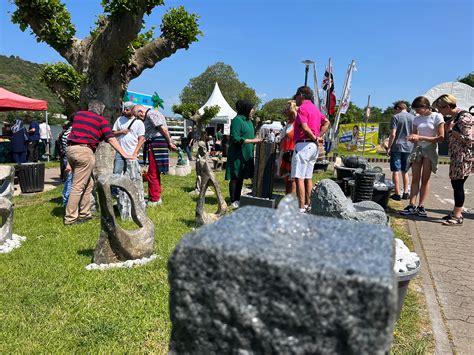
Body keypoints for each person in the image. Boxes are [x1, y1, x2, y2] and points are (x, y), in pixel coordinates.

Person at [64, 100, 132, 225]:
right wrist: (124, 154)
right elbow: (111, 138)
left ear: (89, 108)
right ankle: (70, 218)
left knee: (89, 184)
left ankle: (85, 214)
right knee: (78, 186)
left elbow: (78, 132)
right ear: (101, 111)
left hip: (70, 150)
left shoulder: (78, 115)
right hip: (84, 151)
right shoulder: (101, 120)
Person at [400, 96, 444, 217]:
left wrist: (421, 138)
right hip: (418, 149)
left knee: (425, 179)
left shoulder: (437, 116)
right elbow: (414, 134)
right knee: (415, 178)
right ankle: (411, 205)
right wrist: (412, 138)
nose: (416, 112)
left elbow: (440, 138)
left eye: (418, 109)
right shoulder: (416, 119)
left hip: (430, 150)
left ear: (425, 107)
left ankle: (421, 206)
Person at [433, 94, 472, 226]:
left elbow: (469, 140)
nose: (440, 112)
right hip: (457, 156)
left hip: (463, 157)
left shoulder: (464, 117)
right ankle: (455, 212)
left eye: (440, 109)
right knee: (456, 184)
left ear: (448, 107)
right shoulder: (456, 117)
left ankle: (457, 216)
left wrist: (451, 131)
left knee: (458, 185)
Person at [292, 86, 330, 213]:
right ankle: (310, 205)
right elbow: (327, 122)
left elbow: (304, 127)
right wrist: (319, 136)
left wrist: (314, 137)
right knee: (308, 177)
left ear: (301, 95)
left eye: (296, 96)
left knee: (299, 177)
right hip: (313, 148)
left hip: (303, 145)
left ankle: (301, 208)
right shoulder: (315, 109)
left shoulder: (302, 108)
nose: (295, 99)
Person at [133, 104, 177, 206]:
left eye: (138, 116)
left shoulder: (151, 114)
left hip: (156, 144)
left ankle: (154, 199)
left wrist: (169, 142)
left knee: (152, 173)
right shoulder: (152, 114)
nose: (139, 118)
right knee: (154, 172)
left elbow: (163, 129)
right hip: (156, 143)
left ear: (141, 111)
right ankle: (156, 196)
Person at [225, 100, 261, 208]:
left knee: (241, 177)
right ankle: (233, 200)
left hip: (246, 154)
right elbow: (235, 138)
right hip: (237, 154)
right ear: (245, 109)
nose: (253, 110)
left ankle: (238, 198)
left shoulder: (249, 121)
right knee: (235, 177)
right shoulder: (237, 120)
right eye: (251, 108)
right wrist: (252, 141)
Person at [387, 102, 414, 201]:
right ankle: (406, 192)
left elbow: (393, 134)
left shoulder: (396, 117)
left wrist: (389, 147)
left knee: (395, 170)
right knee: (405, 170)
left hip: (397, 146)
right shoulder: (413, 117)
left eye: (395, 109)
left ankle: (397, 193)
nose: (395, 111)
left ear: (398, 108)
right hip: (409, 147)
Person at [112, 102, 145, 174]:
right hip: (120, 152)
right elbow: (113, 133)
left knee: (132, 174)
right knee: (116, 173)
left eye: (127, 110)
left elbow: (141, 139)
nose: (124, 111)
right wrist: (121, 132)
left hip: (132, 152)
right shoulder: (119, 119)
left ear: (133, 110)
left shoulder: (139, 122)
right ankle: (116, 185)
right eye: (124, 109)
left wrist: (135, 153)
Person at [278, 100, 297, 195]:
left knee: (292, 179)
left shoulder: (297, 124)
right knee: (287, 178)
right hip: (285, 154)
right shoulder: (288, 124)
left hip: (292, 154)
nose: (285, 110)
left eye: (288, 108)